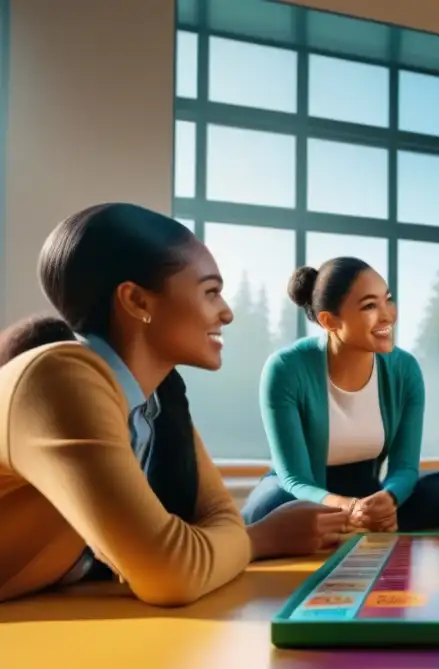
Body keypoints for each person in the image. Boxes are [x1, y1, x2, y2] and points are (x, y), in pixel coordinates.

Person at [0, 203, 344, 606]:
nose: (227, 312)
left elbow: (218, 516)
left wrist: (227, 540)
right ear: (137, 301)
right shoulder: (61, 377)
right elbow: (171, 574)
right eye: (210, 291)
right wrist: (257, 541)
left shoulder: (156, 399)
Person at [242, 257, 439, 531]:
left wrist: (389, 497)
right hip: (306, 494)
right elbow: (294, 480)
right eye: (369, 306)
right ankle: (353, 524)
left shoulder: (404, 369)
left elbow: (405, 467)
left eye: (387, 300)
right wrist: (347, 507)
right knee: (267, 508)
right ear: (329, 321)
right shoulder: (285, 369)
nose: (387, 315)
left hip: (366, 492)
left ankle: (360, 524)